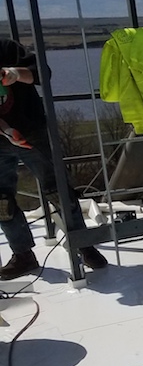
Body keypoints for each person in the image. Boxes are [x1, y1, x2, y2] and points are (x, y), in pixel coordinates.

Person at [0, 38, 107, 279]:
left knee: (57, 189)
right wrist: (6, 131)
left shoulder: (7, 49)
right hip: (3, 137)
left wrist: (15, 74)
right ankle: (23, 255)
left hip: (31, 131)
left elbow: (41, 74)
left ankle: (83, 244)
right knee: (1, 202)